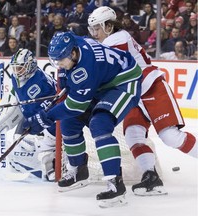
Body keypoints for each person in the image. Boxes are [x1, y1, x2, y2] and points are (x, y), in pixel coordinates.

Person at [23, 31, 142, 208]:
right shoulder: (73, 46)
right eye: (56, 61)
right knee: (68, 123)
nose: (59, 65)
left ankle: (115, 183)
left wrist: (45, 118)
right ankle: (79, 170)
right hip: (101, 83)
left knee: (100, 124)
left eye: (61, 60)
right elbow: (68, 85)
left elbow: (75, 106)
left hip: (124, 82)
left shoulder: (85, 68)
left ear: (73, 53)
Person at [87, 6, 197, 196]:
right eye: (92, 29)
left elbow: (105, 67)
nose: (95, 33)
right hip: (133, 94)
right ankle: (150, 177)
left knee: (170, 137)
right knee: (133, 136)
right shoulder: (109, 41)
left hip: (150, 86)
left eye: (97, 28)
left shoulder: (118, 38)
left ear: (108, 25)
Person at [0, 48, 57, 181]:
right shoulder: (16, 77)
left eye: (20, 68)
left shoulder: (41, 81)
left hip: (49, 119)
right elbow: (14, 93)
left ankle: (51, 168)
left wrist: (37, 119)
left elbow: (52, 103)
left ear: (30, 66)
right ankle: (22, 163)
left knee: (44, 147)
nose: (17, 71)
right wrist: (3, 107)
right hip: (29, 115)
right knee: (18, 142)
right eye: (15, 68)